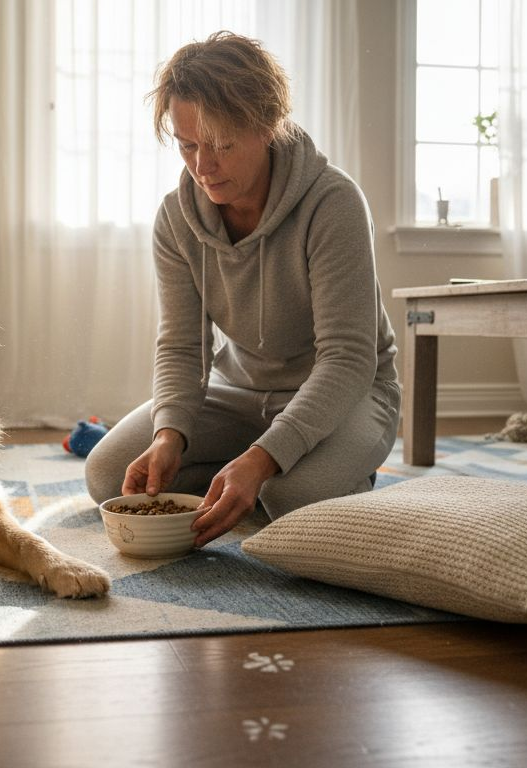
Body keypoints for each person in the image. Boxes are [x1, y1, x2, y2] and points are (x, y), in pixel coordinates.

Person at [84, 31, 401, 548]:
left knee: (288, 499)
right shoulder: (175, 218)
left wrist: (262, 459)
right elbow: (184, 346)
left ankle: (323, 471)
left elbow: (347, 358)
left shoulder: (334, 203)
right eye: (188, 145)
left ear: (267, 126)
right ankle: (256, 471)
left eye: (221, 145)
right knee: (108, 476)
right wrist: (170, 434)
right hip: (238, 393)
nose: (202, 167)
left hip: (350, 391)